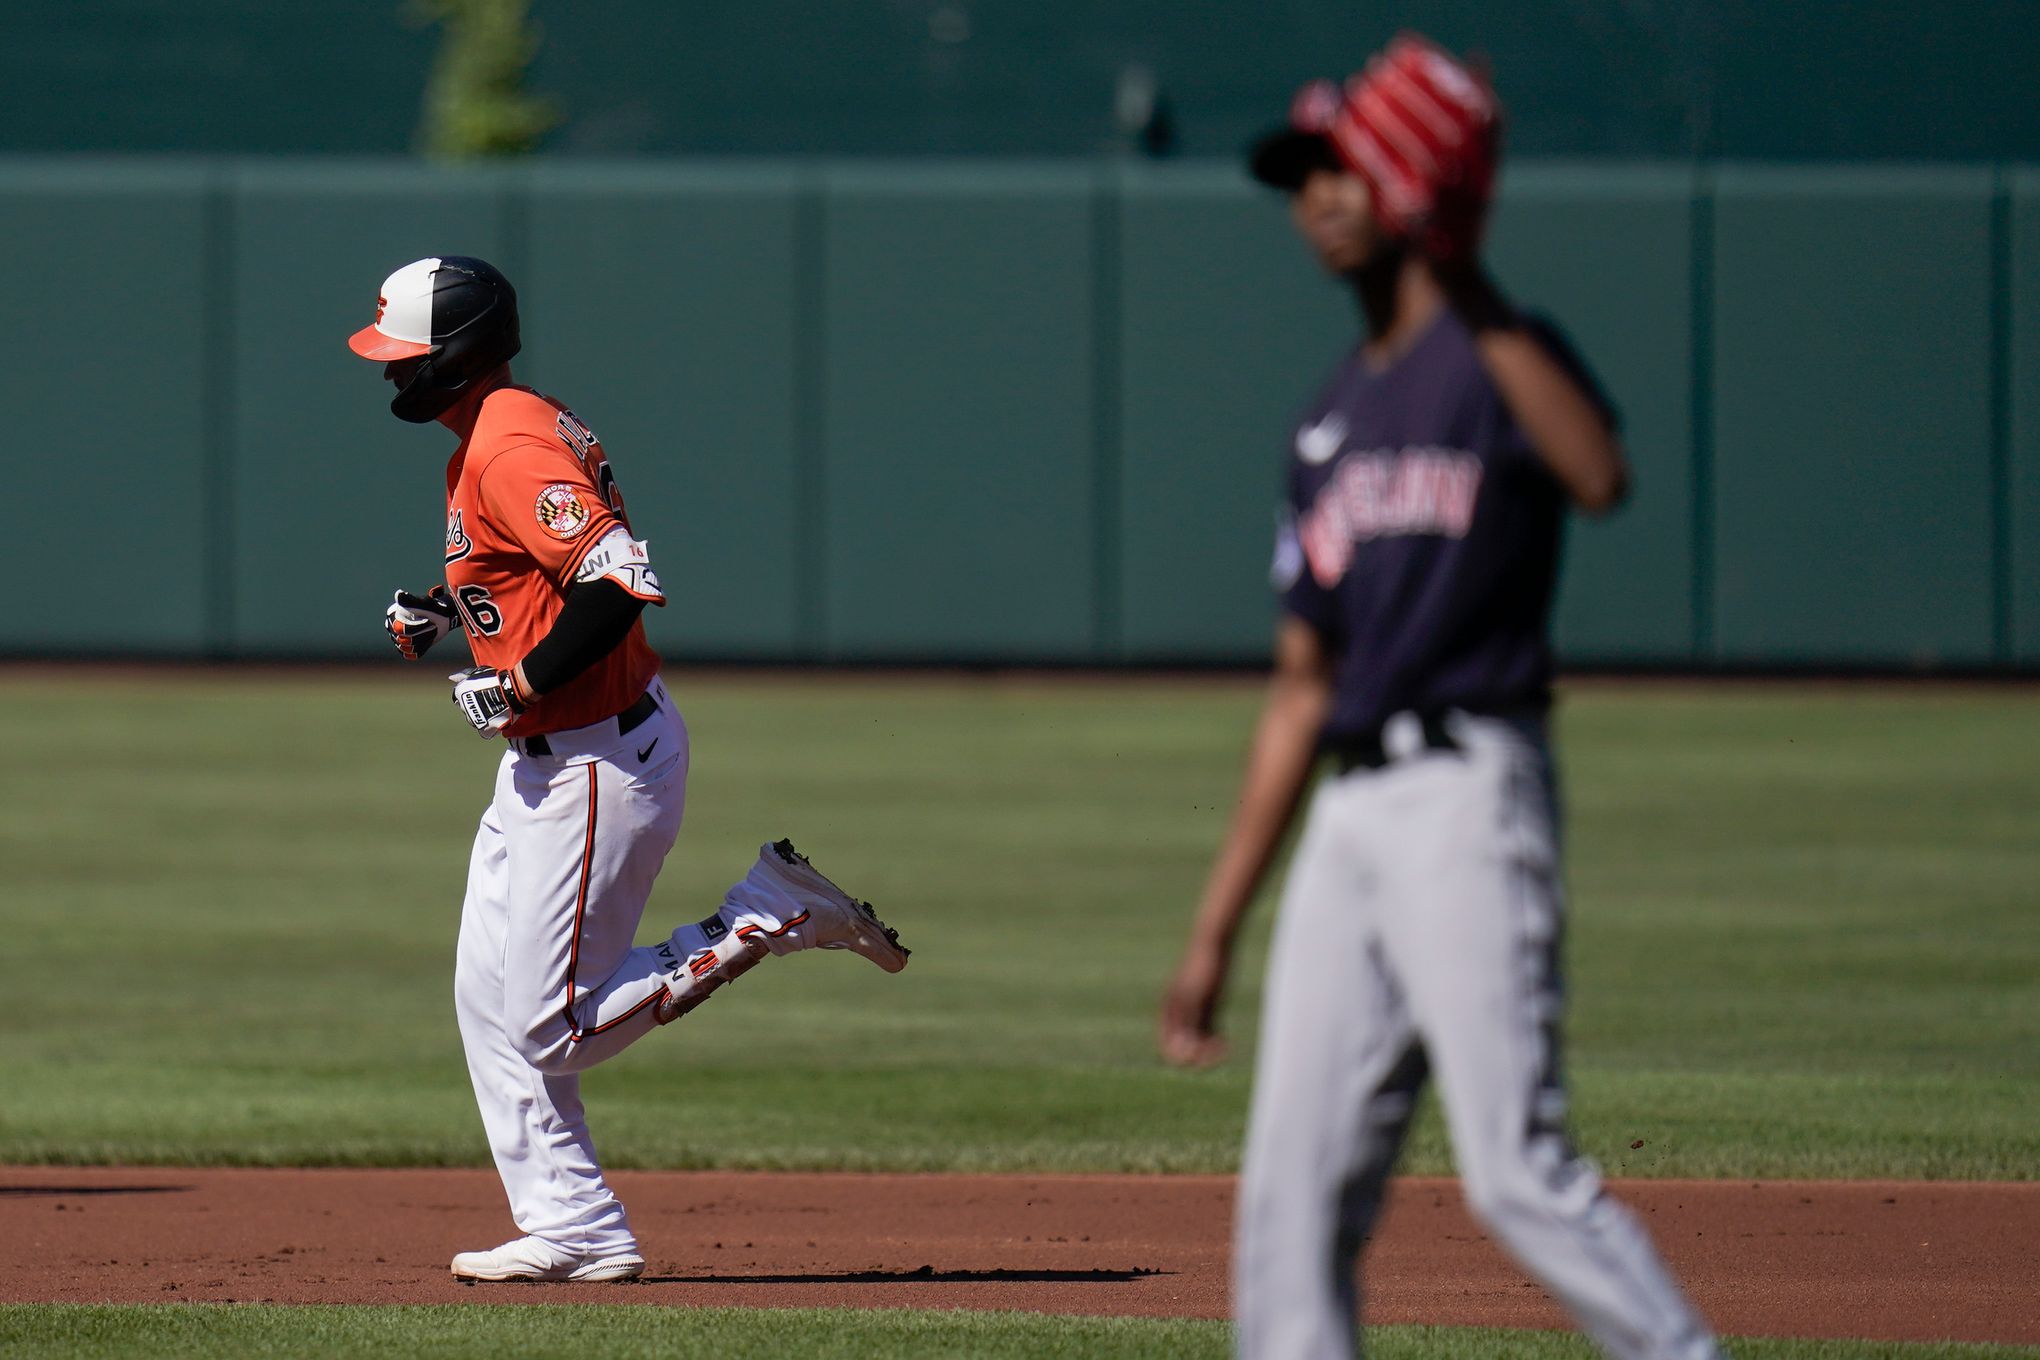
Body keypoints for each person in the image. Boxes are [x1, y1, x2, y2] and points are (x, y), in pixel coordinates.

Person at [1156, 38, 1724, 1360]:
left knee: (1515, 1176)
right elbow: (1302, 691)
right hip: (1353, 819)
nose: (1318, 202)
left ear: (1414, 181)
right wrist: (1216, 930)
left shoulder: (1497, 358)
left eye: (1341, 170)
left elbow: (1598, 475)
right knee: (1289, 1199)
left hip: (1473, 791)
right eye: (1303, 183)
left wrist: (1465, 270)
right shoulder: (1325, 420)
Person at [349, 255, 910, 1284]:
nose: (392, 377)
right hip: (549, 767)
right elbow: (524, 566)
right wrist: (451, 607)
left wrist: (518, 681)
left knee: (550, 1024)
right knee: (486, 999)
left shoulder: (509, 443)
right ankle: (574, 1224)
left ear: (459, 354)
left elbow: (619, 579)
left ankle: (767, 912)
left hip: (596, 761)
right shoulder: (499, 426)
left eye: (407, 357)